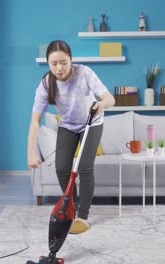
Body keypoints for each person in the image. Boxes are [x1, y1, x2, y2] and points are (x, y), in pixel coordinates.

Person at [27, 40, 115, 234]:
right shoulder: (45, 84)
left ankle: (82, 216)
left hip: (92, 123)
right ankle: (72, 208)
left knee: (84, 166)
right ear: (48, 63)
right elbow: (35, 121)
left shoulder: (84, 73)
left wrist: (102, 104)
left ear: (71, 60)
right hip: (68, 125)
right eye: (54, 63)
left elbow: (110, 98)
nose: (59, 68)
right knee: (61, 168)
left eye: (64, 62)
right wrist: (30, 153)